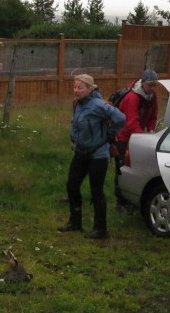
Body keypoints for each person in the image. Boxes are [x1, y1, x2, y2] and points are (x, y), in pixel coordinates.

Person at [59, 74, 125, 239]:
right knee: (72, 185)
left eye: (80, 88)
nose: (76, 90)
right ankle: (75, 222)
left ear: (90, 88)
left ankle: (100, 230)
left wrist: (108, 134)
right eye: (75, 87)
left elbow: (120, 118)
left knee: (97, 191)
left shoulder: (98, 104)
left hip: (98, 154)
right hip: (81, 151)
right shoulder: (77, 104)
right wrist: (73, 139)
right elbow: (76, 123)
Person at [112, 69, 160, 210]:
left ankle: (131, 200)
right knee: (122, 169)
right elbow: (131, 122)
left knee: (134, 170)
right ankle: (121, 202)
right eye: (150, 85)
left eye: (154, 85)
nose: (152, 88)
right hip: (122, 137)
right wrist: (144, 139)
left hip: (137, 137)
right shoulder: (132, 97)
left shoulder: (152, 96)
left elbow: (153, 117)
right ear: (143, 83)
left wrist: (151, 131)